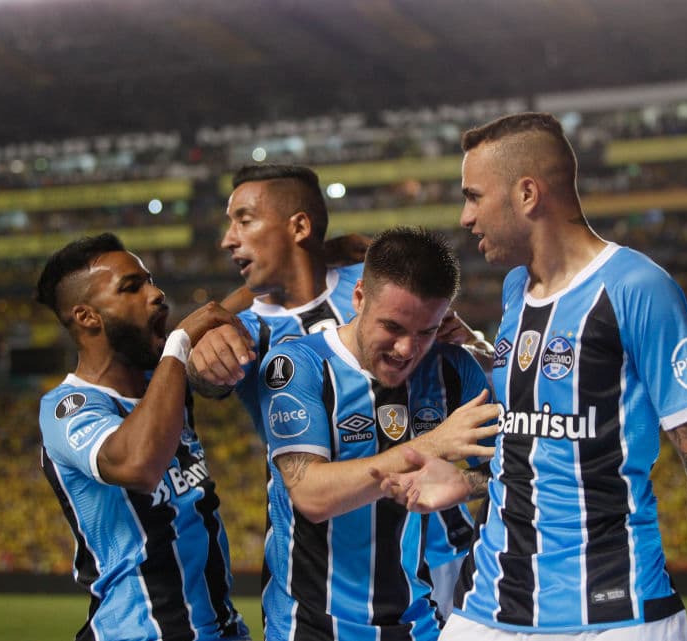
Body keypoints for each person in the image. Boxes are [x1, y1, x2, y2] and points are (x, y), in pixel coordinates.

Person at [377, 113, 687, 641]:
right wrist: (470, 482)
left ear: (527, 194)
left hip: (612, 610)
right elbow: (540, 438)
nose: (465, 217)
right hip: (490, 604)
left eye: (474, 197)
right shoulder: (514, 291)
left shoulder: (638, 288)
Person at [189, 164, 488, 614]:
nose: (228, 239)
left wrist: (472, 344)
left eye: (244, 221)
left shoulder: (378, 277)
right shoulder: (242, 335)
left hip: (441, 553)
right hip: (330, 563)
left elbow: (471, 363)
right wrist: (198, 341)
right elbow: (193, 379)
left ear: (300, 227)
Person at [258, 227, 499, 641]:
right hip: (309, 628)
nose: (406, 349)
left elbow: (516, 472)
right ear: (358, 298)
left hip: (417, 624)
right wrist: (433, 444)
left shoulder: (454, 370)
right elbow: (311, 495)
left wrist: (466, 484)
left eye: (425, 331)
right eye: (393, 326)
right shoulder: (297, 366)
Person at [35, 233, 251, 641]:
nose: (156, 293)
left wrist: (306, 259)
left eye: (150, 281)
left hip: (221, 628)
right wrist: (180, 342)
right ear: (87, 316)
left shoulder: (163, 381)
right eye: (132, 287)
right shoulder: (67, 408)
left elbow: (230, 309)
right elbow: (139, 464)